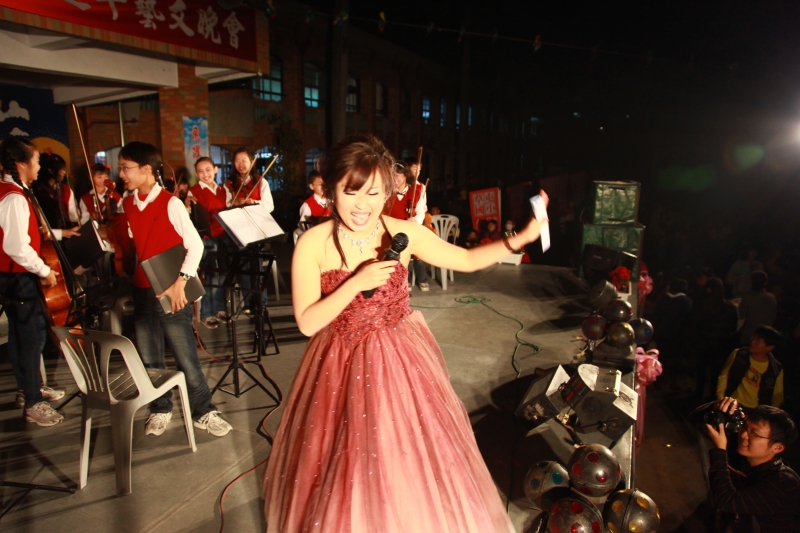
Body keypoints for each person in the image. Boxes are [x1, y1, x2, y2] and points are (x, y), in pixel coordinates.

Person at [262, 134, 548, 532]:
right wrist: (354, 283)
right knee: (344, 462)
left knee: (404, 458)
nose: (362, 205)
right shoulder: (313, 242)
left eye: (373, 193)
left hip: (399, 361)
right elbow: (308, 322)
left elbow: (466, 259)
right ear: (330, 190)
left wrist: (519, 239)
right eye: (350, 192)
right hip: (338, 364)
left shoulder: (404, 232)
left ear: (388, 191)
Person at [117, 141, 231, 437]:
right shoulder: (127, 204)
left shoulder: (171, 203)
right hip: (142, 288)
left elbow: (195, 246)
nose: (121, 174)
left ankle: (203, 411)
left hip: (171, 290)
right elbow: (134, 240)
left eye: (125, 168)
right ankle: (160, 407)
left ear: (146, 169)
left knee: (185, 357)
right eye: (121, 168)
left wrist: (181, 282)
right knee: (149, 356)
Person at [0, 137, 76, 426]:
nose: (39, 166)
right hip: (18, 276)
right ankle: (33, 401)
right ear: (21, 164)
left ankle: (28, 388)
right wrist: (44, 270)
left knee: (19, 335)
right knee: (32, 337)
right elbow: (17, 247)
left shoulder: (11, 190)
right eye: (36, 160)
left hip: (9, 276)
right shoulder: (15, 198)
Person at [706, 398, 800, 532]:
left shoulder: (784, 483)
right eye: (745, 427)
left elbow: (726, 501)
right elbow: (696, 420)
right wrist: (715, 407)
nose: (743, 435)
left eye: (754, 433)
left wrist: (720, 451)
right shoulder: (742, 450)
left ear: (777, 447)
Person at [185, 157, 232, 329]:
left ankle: (220, 309)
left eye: (208, 170)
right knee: (210, 275)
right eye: (200, 171)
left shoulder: (223, 190)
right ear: (196, 174)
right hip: (206, 238)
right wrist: (187, 205)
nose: (205, 174)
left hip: (224, 236)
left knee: (223, 274)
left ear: (215, 170)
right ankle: (206, 313)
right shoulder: (193, 191)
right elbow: (189, 215)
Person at [228, 147, 272, 312]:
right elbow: (225, 205)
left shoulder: (261, 181)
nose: (240, 164)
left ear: (252, 162)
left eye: (244, 160)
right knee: (242, 267)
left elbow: (269, 205)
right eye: (237, 161)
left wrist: (253, 203)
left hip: (256, 229)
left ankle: (261, 301)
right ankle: (247, 302)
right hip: (238, 229)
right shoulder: (229, 184)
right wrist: (233, 203)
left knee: (257, 267)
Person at [717, 325, 784, 409]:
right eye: (753, 337)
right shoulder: (739, 354)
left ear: (769, 347)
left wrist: (771, 413)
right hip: (732, 402)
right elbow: (724, 375)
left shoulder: (775, 369)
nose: (752, 341)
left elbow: (777, 395)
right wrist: (721, 398)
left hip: (756, 409)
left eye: (758, 341)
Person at [388, 160, 430, 291]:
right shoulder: (387, 191)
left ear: (405, 175)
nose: (394, 178)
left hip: (409, 231)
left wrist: (415, 220)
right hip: (390, 231)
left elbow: (421, 212)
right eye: (392, 174)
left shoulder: (416, 191)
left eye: (397, 175)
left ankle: (412, 280)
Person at [34, 152, 79, 229]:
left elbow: (74, 216)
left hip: (66, 231)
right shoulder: (34, 191)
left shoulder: (66, 189)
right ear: (50, 170)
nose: (64, 172)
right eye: (61, 169)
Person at [738, 271, 778, 346]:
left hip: (749, 335)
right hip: (766, 336)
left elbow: (741, 315)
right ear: (766, 282)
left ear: (751, 281)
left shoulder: (747, 297)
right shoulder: (772, 297)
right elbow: (773, 317)